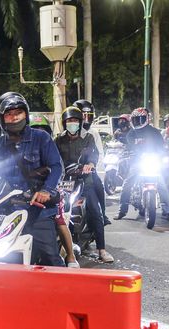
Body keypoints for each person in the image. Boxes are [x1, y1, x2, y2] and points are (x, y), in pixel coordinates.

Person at [0, 92, 64, 267]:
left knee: (50, 255)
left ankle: (64, 291)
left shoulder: (41, 138)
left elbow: (56, 167)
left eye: (18, 113)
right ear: (1, 118)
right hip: (8, 210)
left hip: (37, 209)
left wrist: (46, 190)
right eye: (9, 114)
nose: (14, 118)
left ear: (25, 115)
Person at [55, 106, 114, 263]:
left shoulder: (88, 137)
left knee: (95, 210)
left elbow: (93, 155)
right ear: (64, 123)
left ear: (80, 122)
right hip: (65, 181)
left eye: (75, 121)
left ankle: (102, 249)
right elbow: (54, 159)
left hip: (85, 179)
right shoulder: (58, 139)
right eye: (69, 121)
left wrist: (90, 164)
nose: (72, 123)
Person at [29, 113, 78, 267]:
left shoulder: (50, 146)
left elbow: (58, 169)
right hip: (24, 198)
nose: (39, 133)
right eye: (35, 129)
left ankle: (70, 256)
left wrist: (47, 189)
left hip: (50, 193)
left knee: (59, 220)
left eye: (42, 130)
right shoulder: (11, 145)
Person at [115, 107, 169, 221]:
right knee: (127, 183)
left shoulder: (154, 132)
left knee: (162, 184)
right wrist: (129, 153)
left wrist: (165, 153)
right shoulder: (131, 133)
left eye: (140, 119)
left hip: (153, 161)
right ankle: (122, 210)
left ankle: (168, 211)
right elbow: (130, 146)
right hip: (137, 162)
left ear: (146, 119)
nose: (137, 121)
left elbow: (161, 146)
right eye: (135, 119)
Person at [73, 99, 110, 225]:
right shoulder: (64, 134)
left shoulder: (93, 133)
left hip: (88, 172)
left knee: (99, 188)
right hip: (70, 173)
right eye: (83, 116)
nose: (86, 119)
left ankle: (103, 215)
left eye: (89, 116)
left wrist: (93, 167)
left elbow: (98, 153)